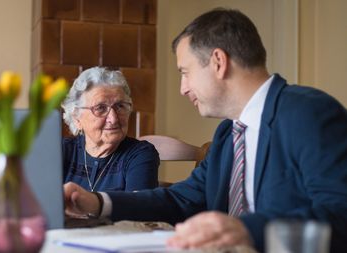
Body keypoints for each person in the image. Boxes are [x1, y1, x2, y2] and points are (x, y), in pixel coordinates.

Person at [63, 8, 347, 252]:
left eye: (185, 72)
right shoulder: (228, 133)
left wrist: (247, 229)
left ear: (218, 62)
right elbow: (180, 199)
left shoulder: (309, 112)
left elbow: (341, 213)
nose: (183, 88)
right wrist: (97, 202)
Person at [61, 66, 159, 192]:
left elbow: (139, 208)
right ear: (77, 119)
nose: (113, 119)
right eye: (100, 108)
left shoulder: (139, 155)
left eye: (120, 106)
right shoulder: (61, 152)